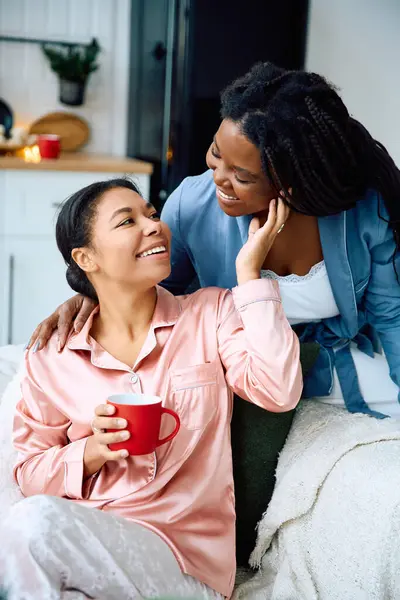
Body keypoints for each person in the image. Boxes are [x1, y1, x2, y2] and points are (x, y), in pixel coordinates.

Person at [29, 61, 400, 420]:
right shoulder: (194, 203)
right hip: (245, 374)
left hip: (336, 365)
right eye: (216, 154)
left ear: (291, 183)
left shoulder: (362, 212)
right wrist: (91, 296)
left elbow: (391, 316)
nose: (218, 178)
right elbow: (155, 294)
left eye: (241, 174)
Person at [0, 178, 301, 599]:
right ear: (86, 258)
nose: (153, 225)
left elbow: (279, 390)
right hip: (88, 548)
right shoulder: (52, 356)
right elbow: (29, 473)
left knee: (33, 525)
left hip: (186, 564)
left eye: (152, 214)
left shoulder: (210, 314)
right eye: (127, 221)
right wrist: (92, 451)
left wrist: (250, 274)